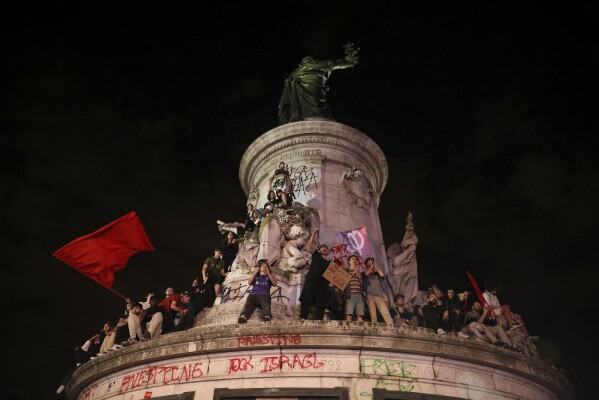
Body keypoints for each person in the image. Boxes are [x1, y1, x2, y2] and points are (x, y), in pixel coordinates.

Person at [278, 43, 359, 124]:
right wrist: (349, 61)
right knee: (318, 106)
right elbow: (335, 64)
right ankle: (317, 114)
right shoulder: (318, 65)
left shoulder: (294, 73)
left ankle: (305, 115)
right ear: (312, 61)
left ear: (301, 64)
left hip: (300, 102)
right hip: (317, 91)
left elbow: (286, 97)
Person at [298, 227, 330, 320]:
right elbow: (310, 243)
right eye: (322, 248)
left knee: (321, 305)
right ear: (319, 250)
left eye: (326, 248)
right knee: (306, 300)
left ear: (327, 252)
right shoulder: (316, 255)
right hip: (312, 280)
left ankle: (319, 321)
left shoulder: (330, 264)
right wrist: (314, 233)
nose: (324, 249)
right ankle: (303, 318)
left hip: (323, 285)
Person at [363, 257, 393, 324]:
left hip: (379, 295)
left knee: (385, 311)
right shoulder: (364, 272)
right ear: (366, 265)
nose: (371, 262)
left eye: (372, 261)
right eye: (369, 261)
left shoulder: (377, 273)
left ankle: (391, 324)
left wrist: (375, 266)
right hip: (369, 294)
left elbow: (382, 275)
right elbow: (366, 274)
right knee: (372, 313)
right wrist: (371, 267)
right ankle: (374, 326)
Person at [344, 254, 365, 322]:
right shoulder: (346, 271)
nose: (355, 260)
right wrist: (353, 272)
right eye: (353, 259)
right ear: (349, 261)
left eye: (356, 259)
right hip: (350, 294)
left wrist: (360, 279)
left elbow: (363, 285)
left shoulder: (359, 272)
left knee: (360, 316)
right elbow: (344, 280)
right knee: (349, 315)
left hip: (359, 294)